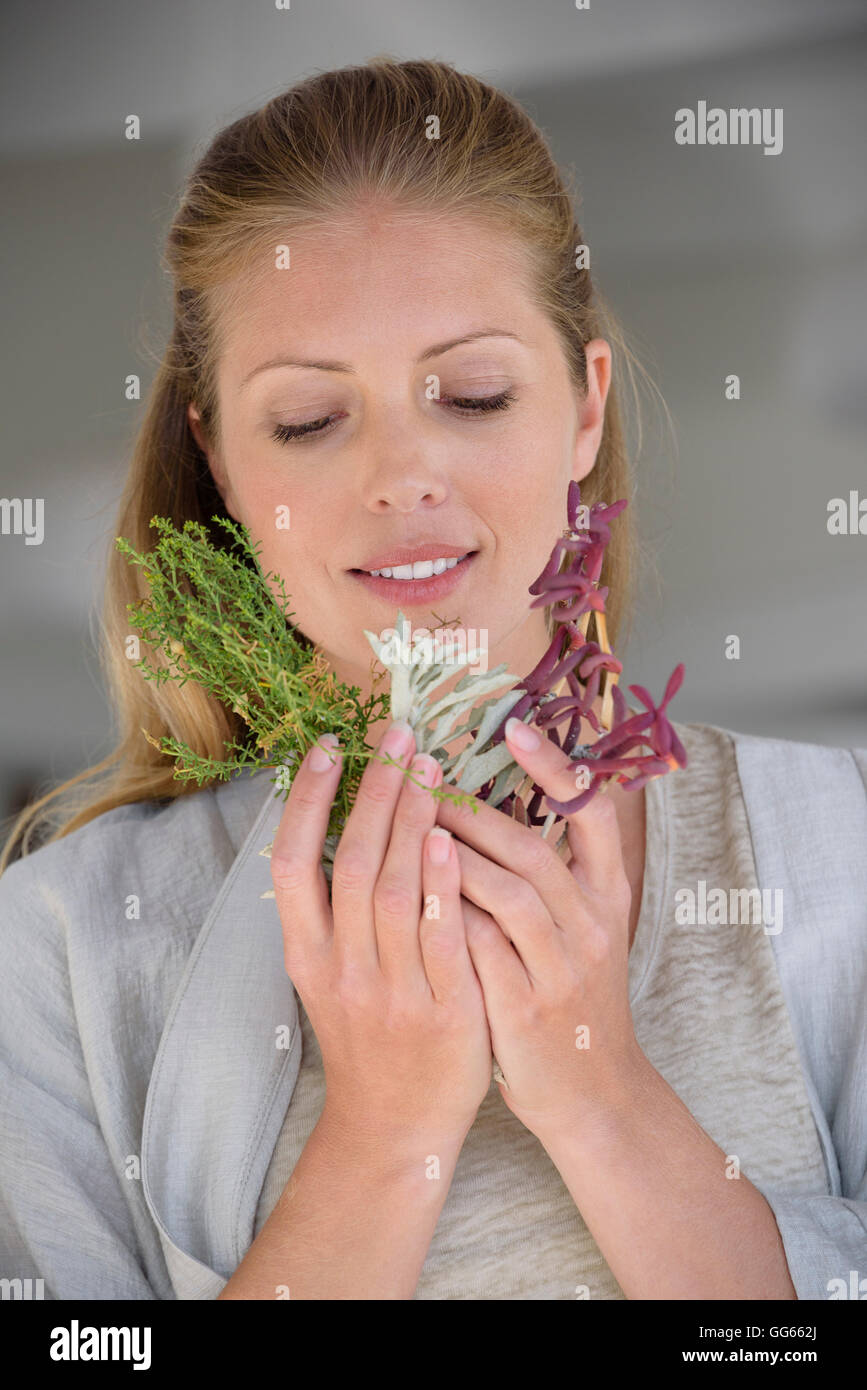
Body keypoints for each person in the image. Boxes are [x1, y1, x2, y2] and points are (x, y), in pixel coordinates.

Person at [1, 56, 865, 1302]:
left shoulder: (838, 846)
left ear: (582, 407)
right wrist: (386, 1133)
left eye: (470, 393)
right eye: (308, 420)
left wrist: (603, 1098)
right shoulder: (66, 944)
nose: (402, 475)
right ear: (223, 465)